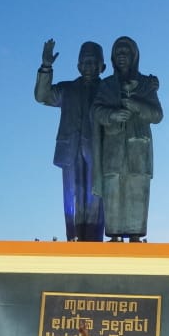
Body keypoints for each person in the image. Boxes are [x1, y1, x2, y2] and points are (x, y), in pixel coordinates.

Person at [91, 36, 163, 243]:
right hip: (112, 148)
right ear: (113, 58)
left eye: (126, 52)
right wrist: (112, 115)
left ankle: (135, 235)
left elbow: (157, 115)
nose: (121, 56)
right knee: (113, 188)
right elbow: (95, 111)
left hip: (139, 148)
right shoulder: (106, 85)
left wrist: (137, 106)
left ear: (134, 56)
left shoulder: (146, 84)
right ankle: (114, 235)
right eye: (118, 52)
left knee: (137, 187)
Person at [36, 39, 106, 242]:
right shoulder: (67, 89)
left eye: (92, 61)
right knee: (70, 195)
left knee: (96, 197)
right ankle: (72, 238)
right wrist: (46, 67)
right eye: (84, 61)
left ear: (102, 66)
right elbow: (42, 96)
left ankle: (94, 239)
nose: (88, 66)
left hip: (98, 152)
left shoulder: (108, 89)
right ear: (78, 66)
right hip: (70, 151)